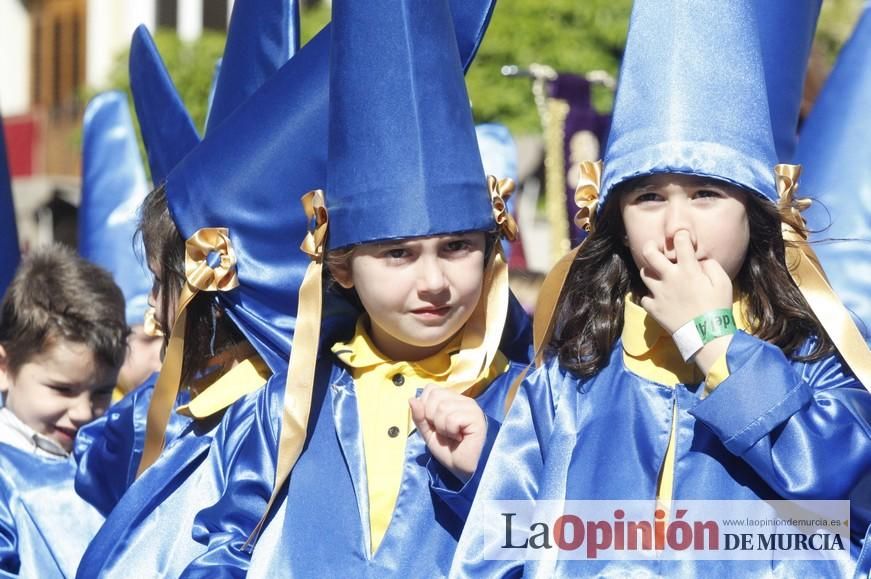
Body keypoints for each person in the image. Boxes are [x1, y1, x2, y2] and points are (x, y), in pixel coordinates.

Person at [451, 1, 871, 576]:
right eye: (649, 198)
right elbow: (506, 544)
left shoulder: (817, 357)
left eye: (705, 195)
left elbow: (843, 500)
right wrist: (476, 468)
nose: (677, 229)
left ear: (756, 213)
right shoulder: (572, 373)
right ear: (616, 216)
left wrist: (717, 343)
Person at [183, 0, 531, 576]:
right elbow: (220, 547)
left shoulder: (537, 403)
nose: (435, 282)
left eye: (458, 247)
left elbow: (581, 553)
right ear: (340, 266)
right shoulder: (284, 409)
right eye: (397, 253)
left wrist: (492, 467)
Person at [0, 245, 127, 576]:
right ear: (4, 367)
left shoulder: (113, 458)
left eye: (101, 392)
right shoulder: (6, 477)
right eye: (62, 389)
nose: (84, 412)